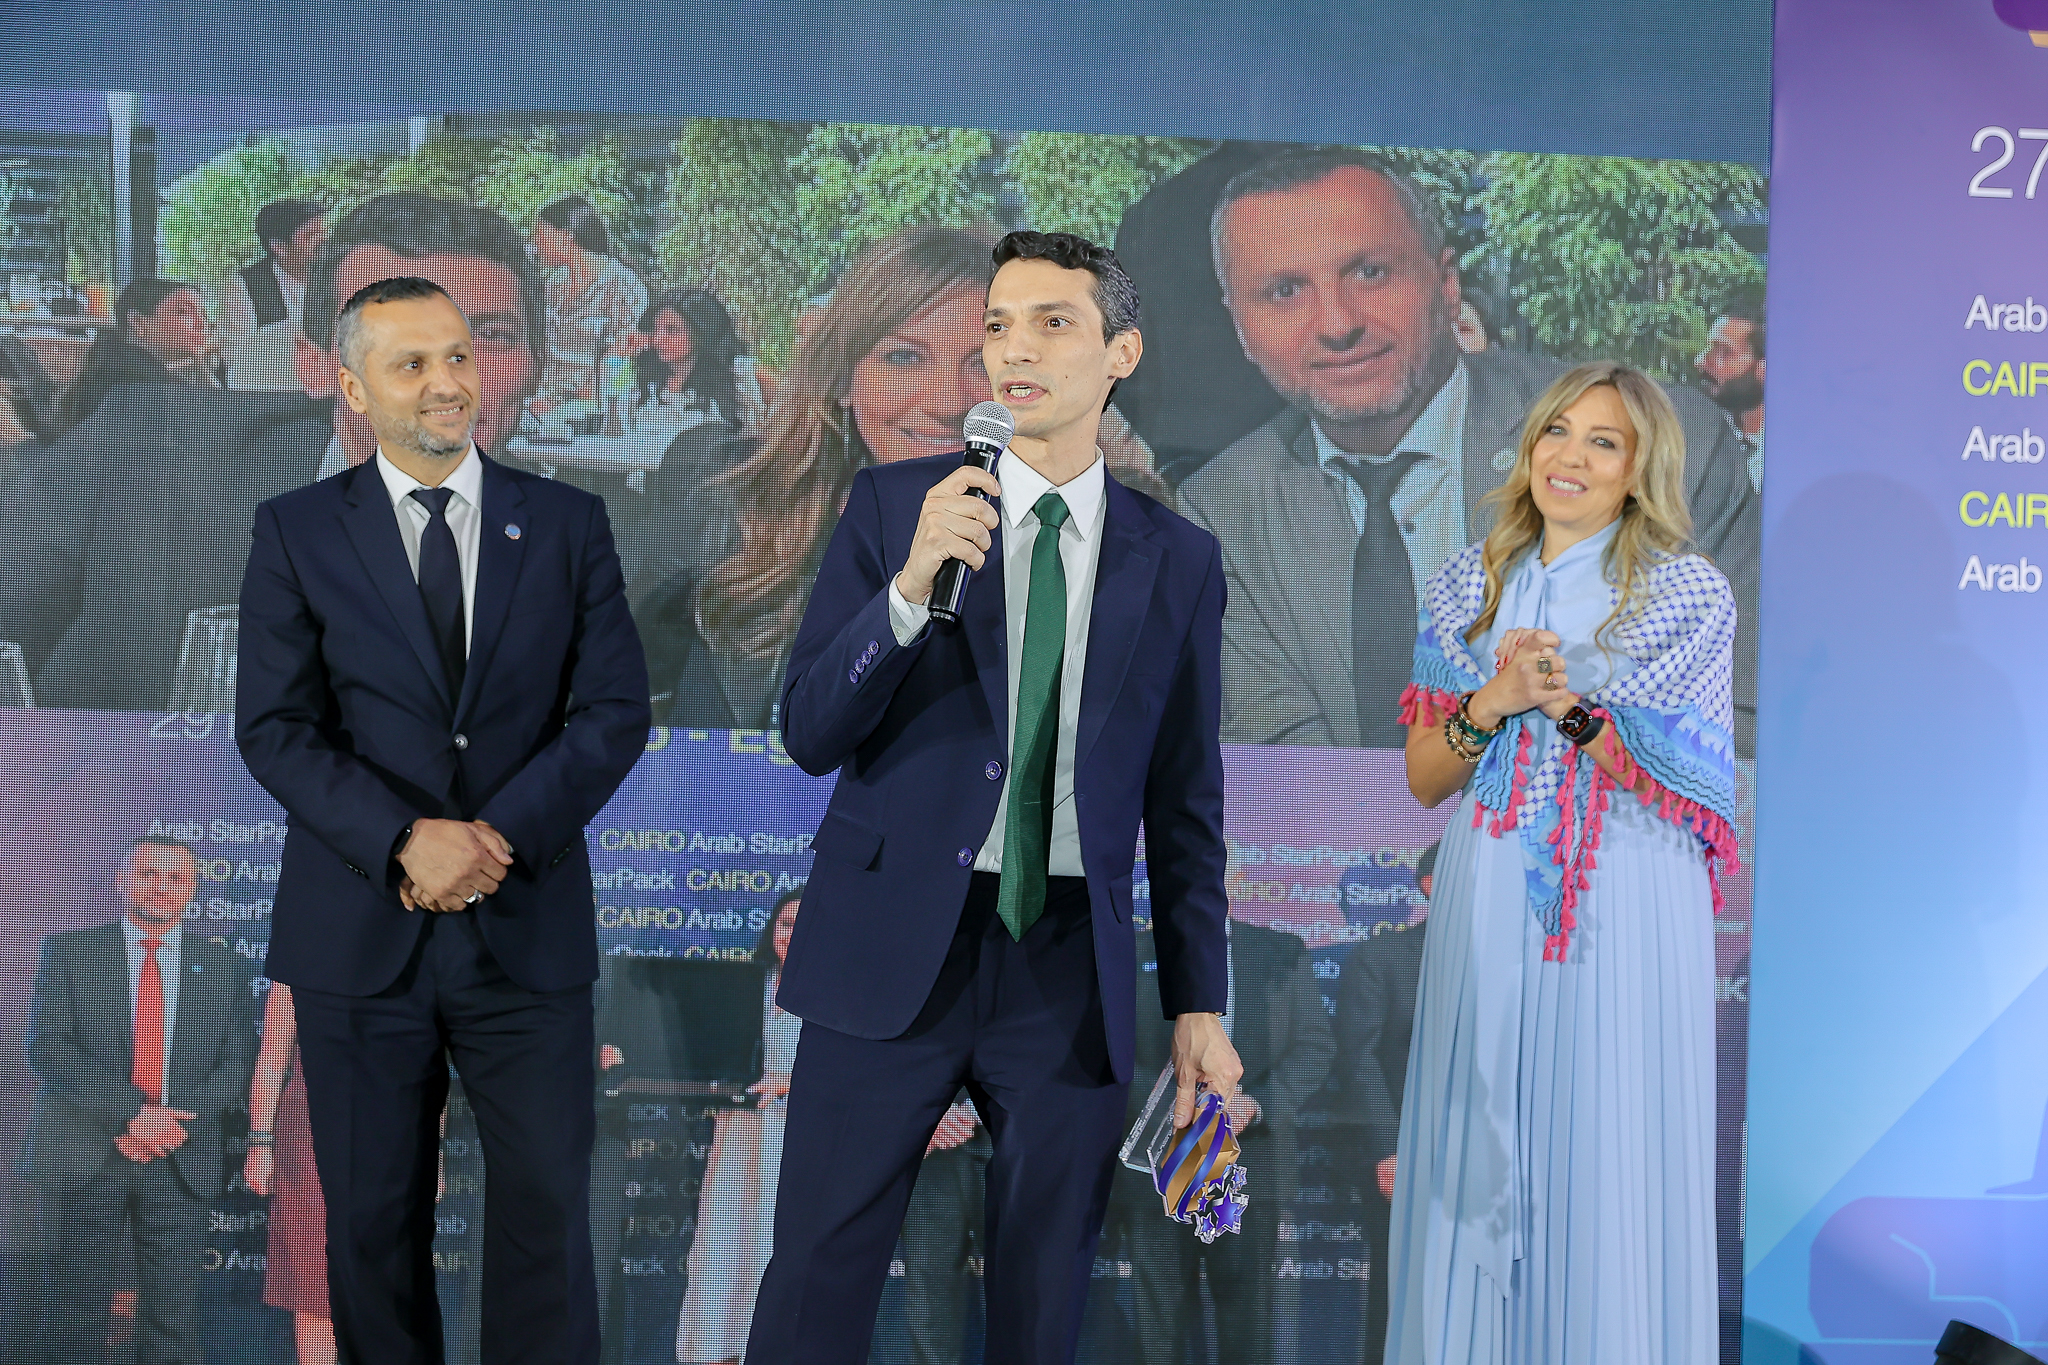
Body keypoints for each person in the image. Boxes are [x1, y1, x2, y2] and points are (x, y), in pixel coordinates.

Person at [741, 230, 1240, 1365]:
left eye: (1052, 323)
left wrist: (1199, 1006)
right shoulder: (894, 507)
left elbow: (1184, 803)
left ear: (1120, 353)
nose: (1015, 349)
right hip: (888, 943)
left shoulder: (1178, 558)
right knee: (816, 1276)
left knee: (1043, 1294)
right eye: (999, 325)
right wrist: (910, 589)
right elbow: (809, 730)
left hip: (1065, 962)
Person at [234, 274, 651, 1364]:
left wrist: (491, 841)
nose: (445, 382)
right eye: (411, 363)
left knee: (547, 1219)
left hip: (525, 931)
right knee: (370, 1225)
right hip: (357, 933)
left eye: (459, 355)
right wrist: (405, 841)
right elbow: (275, 729)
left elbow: (613, 713)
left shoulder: (566, 522)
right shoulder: (295, 530)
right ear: (352, 387)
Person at [1179, 146, 1759, 751]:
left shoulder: (1654, 444)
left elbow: (1734, 734)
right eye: (1284, 290)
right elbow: (1281, 766)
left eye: (1370, 273)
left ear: (1447, 283)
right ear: (1239, 324)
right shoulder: (1217, 514)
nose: (1336, 324)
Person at [1386, 362, 1736, 1364]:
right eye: (1556, 431)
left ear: (1638, 469)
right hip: (1487, 878)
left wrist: (1564, 704)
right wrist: (1492, 700)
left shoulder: (1684, 593)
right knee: (1476, 1127)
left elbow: (1673, 779)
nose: (1569, 456)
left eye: (1602, 441)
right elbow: (1424, 777)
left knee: (1606, 1136)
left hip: (1625, 891)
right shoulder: (1469, 581)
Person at [0, 192, 545, 712]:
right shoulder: (142, 456)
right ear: (315, 365)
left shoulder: (576, 539)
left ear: (535, 369)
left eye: (490, 336)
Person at [636, 225, 1169, 730]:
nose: (946, 401)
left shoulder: (1112, 532)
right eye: (905, 357)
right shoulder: (732, 503)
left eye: (980, 360)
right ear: (843, 377)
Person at [18, 836, 253, 1365]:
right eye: (148, 874)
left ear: (193, 889)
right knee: (76, 1314)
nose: (161, 887)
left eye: (176, 878)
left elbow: (237, 1064)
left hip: (182, 1155)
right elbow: (48, 1049)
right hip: (86, 1151)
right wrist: (135, 1114)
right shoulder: (70, 951)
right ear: (123, 881)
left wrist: (168, 1124)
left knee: (174, 1317)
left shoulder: (227, 967)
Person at [1114, 915, 1334, 1364]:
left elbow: (1315, 1046)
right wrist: (1175, 1107)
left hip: (1251, 1165)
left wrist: (1257, 1103)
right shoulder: (1134, 951)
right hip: (1158, 1165)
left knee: (1247, 1319)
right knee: (1158, 1322)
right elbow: (1113, 1050)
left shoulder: (1281, 950)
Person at [1109, 140, 1288, 486]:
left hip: (1191, 463)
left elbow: (1129, 366)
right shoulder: (1325, 203)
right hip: (1299, 464)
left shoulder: (1150, 216)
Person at [675, 892, 803, 1364]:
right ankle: (719, 1351)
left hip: (799, 1137)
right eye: (784, 924)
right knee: (724, 1248)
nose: (790, 935)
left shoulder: (838, 994)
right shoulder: (746, 986)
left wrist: (792, 1083)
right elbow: (711, 1052)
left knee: (777, 1247)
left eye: (803, 925)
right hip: (740, 1135)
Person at [1334, 840, 1436, 1365]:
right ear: (1430, 885)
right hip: (1407, 1156)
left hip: (1489, 1158)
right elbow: (1359, 1057)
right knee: (1399, 1293)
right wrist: (1388, 1148)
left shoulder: (1510, 959)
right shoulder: (1382, 958)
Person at [244, 982, 335, 1365]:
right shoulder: (300, 959)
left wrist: (436, 1152)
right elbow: (271, 1061)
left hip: (396, 1131)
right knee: (313, 1284)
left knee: (386, 1280)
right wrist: (260, 1144)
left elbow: (427, 1061)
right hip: (309, 1137)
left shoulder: (411, 956)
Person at [531, 195, 648, 418]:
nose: (536, 245)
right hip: (541, 404)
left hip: (591, 412)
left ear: (566, 237)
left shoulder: (623, 286)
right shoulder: (553, 285)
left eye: (541, 235)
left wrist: (564, 402)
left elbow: (621, 362)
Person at [55, 279, 221, 434]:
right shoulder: (140, 382)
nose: (202, 324)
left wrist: (200, 363)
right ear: (138, 322)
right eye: (183, 312)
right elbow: (213, 427)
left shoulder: (111, 360)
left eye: (202, 314)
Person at [221, 198, 327, 391]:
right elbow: (236, 357)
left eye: (322, 233)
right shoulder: (245, 285)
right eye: (310, 236)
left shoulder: (340, 272)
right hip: (277, 391)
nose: (322, 242)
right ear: (279, 247)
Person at [629, 287, 764, 433]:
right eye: (656, 329)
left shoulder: (739, 373)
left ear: (700, 332)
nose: (658, 339)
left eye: (672, 330)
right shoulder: (648, 381)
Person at [1696, 289, 1765, 494]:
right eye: (1709, 348)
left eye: (1724, 352)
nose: (1700, 362)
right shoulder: (1698, 434)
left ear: (1763, 368)